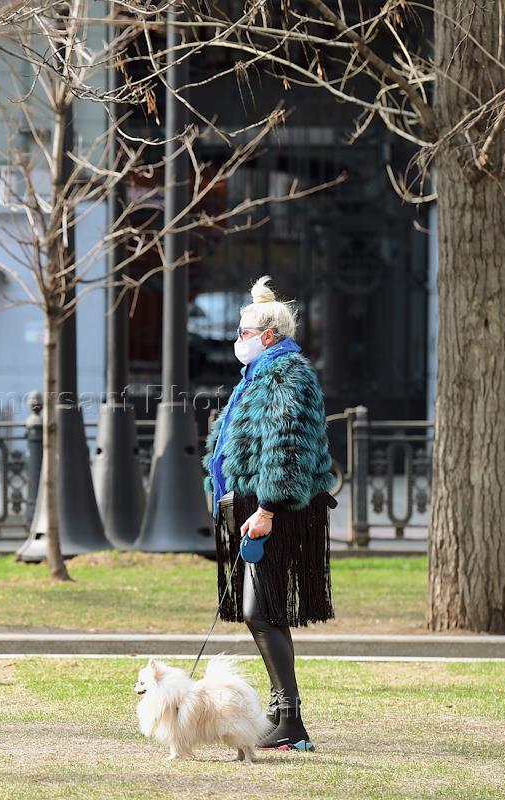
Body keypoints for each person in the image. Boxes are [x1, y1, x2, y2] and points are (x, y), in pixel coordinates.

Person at [201, 275, 337, 753]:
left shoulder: (286, 374)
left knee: (261, 612)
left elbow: (287, 448)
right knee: (265, 611)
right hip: (255, 507)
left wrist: (266, 510)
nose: (238, 339)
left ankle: (292, 722)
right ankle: (283, 717)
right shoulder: (259, 374)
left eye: (244, 332)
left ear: (270, 335)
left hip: (274, 511)